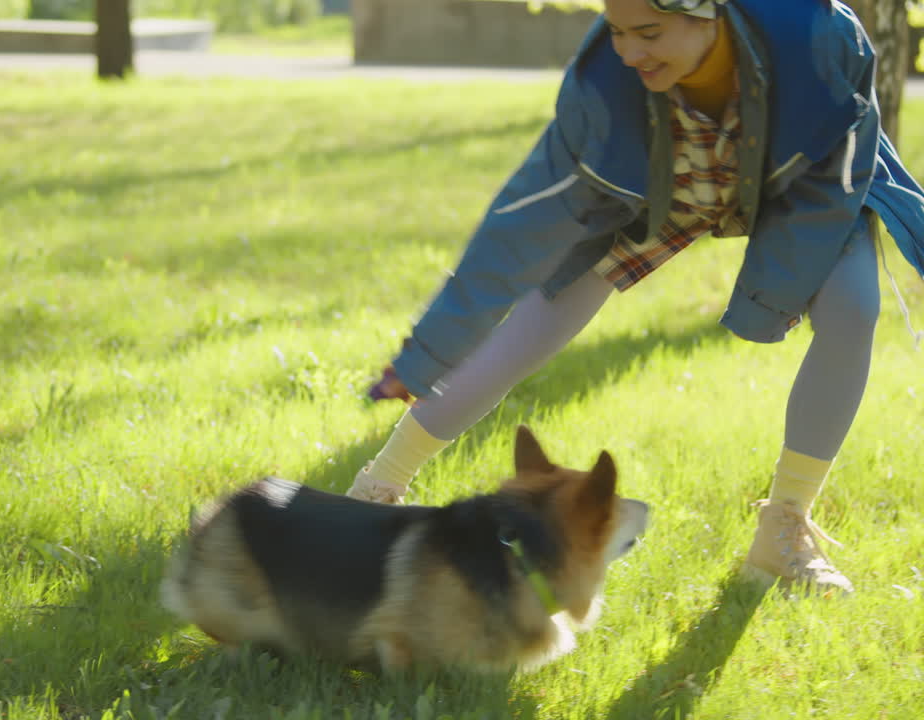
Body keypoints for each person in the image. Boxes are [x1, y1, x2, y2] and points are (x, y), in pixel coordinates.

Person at [345, 0, 924, 594]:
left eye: (649, 32)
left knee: (853, 309)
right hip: (661, 181)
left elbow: (836, 178)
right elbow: (514, 234)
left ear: (709, 15)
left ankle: (783, 528)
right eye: (616, 30)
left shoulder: (821, 37)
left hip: (800, 180)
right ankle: (377, 493)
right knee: (524, 335)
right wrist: (421, 358)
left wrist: (771, 299)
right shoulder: (602, 85)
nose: (629, 51)